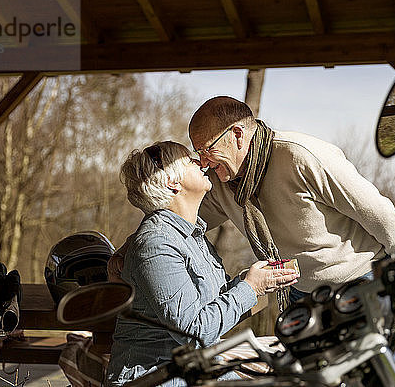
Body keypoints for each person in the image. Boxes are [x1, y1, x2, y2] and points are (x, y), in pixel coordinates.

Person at [106, 141, 299, 387]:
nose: (201, 161)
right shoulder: (155, 245)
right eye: (189, 159)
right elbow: (194, 333)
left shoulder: (190, 235)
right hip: (158, 377)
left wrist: (253, 280)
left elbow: (209, 306)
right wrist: (250, 288)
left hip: (196, 369)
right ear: (172, 182)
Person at [188, 96, 395, 304]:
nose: (203, 162)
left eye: (207, 149)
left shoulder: (301, 156)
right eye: (198, 152)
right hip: (300, 294)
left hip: (362, 283)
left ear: (237, 134)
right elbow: (186, 220)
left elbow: (379, 213)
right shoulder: (220, 183)